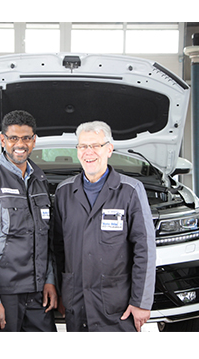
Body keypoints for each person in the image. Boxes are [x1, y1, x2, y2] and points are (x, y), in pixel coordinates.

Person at [53, 121, 156, 332]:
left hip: (116, 304)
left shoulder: (131, 190)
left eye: (95, 146)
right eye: (83, 146)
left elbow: (144, 249)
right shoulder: (64, 192)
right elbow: (57, 248)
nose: (88, 152)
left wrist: (141, 302)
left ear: (109, 149)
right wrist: (61, 291)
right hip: (77, 302)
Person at [0, 110, 57, 332]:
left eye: (26, 138)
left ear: (34, 141)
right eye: (13, 138)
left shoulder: (40, 179)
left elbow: (46, 237)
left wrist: (50, 280)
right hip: (2, 292)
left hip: (37, 294)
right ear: (3, 140)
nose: (20, 144)